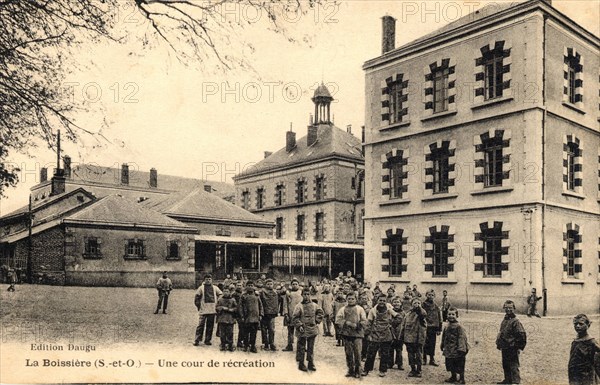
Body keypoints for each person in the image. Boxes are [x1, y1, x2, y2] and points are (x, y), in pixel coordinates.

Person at [362, 295, 399, 378]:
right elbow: (369, 323)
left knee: (385, 354)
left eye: (383, 300)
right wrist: (367, 334)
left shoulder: (389, 310)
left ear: (386, 301)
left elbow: (399, 317)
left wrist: (392, 324)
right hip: (375, 334)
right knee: (371, 353)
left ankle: (382, 370)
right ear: (377, 301)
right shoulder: (373, 310)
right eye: (380, 300)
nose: (382, 302)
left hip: (386, 335)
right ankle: (366, 369)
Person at [336, 292, 367, 378]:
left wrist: (357, 325)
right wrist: (346, 323)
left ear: (356, 299)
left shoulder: (360, 309)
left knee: (357, 353)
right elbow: (338, 320)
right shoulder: (342, 309)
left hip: (357, 334)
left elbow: (364, 320)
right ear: (346, 299)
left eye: (352, 298)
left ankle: (358, 370)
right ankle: (350, 370)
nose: (350, 300)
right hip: (347, 334)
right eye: (349, 299)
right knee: (348, 353)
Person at [496, 300, 527, 384]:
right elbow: (501, 332)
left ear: (514, 308)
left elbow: (521, 335)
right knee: (505, 364)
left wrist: (517, 346)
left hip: (512, 347)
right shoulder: (505, 319)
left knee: (513, 365)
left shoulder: (516, 321)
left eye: (510, 308)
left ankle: (515, 382)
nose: (508, 310)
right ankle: (507, 380)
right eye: (506, 308)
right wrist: (499, 342)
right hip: (505, 346)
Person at [292, 288, 324, 372]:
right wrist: (299, 326)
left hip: (312, 329)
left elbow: (320, 313)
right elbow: (295, 317)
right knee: (301, 347)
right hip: (302, 329)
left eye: (308, 294)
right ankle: (301, 363)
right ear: (302, 295)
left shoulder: (314, 305)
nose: (306, 296)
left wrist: (316, 320)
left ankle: (310, 363)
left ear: (310, 295)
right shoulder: (299, 306)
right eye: (304, 294)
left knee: (310, 347)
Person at [568, 314, 600, 385]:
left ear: (588, 325)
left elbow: (597, 363)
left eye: (581, 324)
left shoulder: (591, 342)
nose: (577, 326)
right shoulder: (575, 341)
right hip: (574, 375)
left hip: (586, 377)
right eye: (575, 324)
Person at [401, 297, 427, 378]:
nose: (417, 305)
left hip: (419, 338)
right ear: (411, 305)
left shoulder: (421, 314)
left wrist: (419, 309)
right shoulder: (408, 315)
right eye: (415, 303)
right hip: (409, 338)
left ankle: (419, 370)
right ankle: (412, 369)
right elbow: (403, 326)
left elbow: (423, 314)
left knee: (419, 354)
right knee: (410, 354)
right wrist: (401, 337)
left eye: (419, 303)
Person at [441, 307, 468, 384]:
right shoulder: (447, 326)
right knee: (450, 363)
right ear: (447, 315)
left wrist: (461, 349)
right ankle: (453, 377)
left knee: (459, 364)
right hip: (449, 349)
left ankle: (462, 379)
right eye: (449, 314)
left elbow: (461, 338)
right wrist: (442, 344)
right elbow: (444, 336)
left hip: (457, 350)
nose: (451, 316)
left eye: (453, 314)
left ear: (457, 316)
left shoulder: (459, 327)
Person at [193, 274, 222, 346]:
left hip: (212, 310)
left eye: (209, 279)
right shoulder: (201, 288)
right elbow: (196, 298)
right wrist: (199, 306)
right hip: (203, 310)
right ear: (204, 280)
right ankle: (197, 340)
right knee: (200, 325)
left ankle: (207, 340)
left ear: (211, 280)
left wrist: (218, 302)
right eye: (206, 279)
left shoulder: (215, 288)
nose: (208, 281)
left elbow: (221, 294)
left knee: (210, 326)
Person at [239, 280, 263, 353]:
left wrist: (261, 315)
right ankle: (246, 345)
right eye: (248, 285)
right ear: (246, 287)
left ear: (254, 287)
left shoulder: (257, 296)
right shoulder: (243, 296)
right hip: (247, 317)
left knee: (254, 333)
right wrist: (242, 316)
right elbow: (240, 307)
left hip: (255, 317)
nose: (250, 287)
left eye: (251, 285)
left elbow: (260, 306)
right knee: (246, 332)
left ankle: (253, 346)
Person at [422, 290, 443, 366]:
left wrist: (439, 328)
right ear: (426, 295)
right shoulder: (423, 305)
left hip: (433, 328)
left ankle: (432, 359)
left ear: (434, 296)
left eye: (432, 295)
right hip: (425, 327)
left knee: (432, 343)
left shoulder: (436, 306)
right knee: (424, 343)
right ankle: (424, 358)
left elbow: (440, 317)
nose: (430, 296)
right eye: (429, 295)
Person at [283, 278, 303, 351]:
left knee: (301, 330)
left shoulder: (301, 292)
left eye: (296, 284)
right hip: (291, 314)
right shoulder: (288, 293)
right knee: (290, 331)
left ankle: (301, 346)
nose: (294, 285)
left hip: (299, 315)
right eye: (293, 284)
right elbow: (285, 304)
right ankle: (289, 345)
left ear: (298, 285)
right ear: (291, 285)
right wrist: (286, 314)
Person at [259, 278, 279, 351]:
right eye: (268, 284)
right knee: (264, 329)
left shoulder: (275, 292)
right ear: (265, 284)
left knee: (271, 329)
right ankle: (266, 343)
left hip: (272, 314)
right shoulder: (262, 292)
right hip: (264, 313)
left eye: (271, 284)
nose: (269, 285)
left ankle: (272, 343)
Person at [216, 286, 237, 351]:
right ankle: (223, 344)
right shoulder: (220, 299)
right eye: (224, 291)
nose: (225, 293)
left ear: (230, 292)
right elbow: (216, 307)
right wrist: (221, 308)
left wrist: (231, 310)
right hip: (222, 319)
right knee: (222, 333)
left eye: (227, 291)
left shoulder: (233, 300)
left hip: (230, 319)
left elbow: (236, 308)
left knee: (230, 333)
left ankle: (230, 345)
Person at [389, 297, 406, 371]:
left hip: (399, 333)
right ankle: (390, 363)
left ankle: (399, 364)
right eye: (394, 302)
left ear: (401, 303)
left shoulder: (403, 313)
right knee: (390, 348)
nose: (396, 304)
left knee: (399, 349)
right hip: (391, 332)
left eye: (398, 302)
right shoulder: (390, 312)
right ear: (392, 304)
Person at [232, 281, 245, 348]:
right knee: (232, 329)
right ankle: (231, 342)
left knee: (242, 328)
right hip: (234, 313)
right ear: (235, 286)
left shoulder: (244, 294)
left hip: (241, 314)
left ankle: (240, 342)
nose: (239, 287)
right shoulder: (233, 294)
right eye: (238, 285)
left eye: (240, 285)